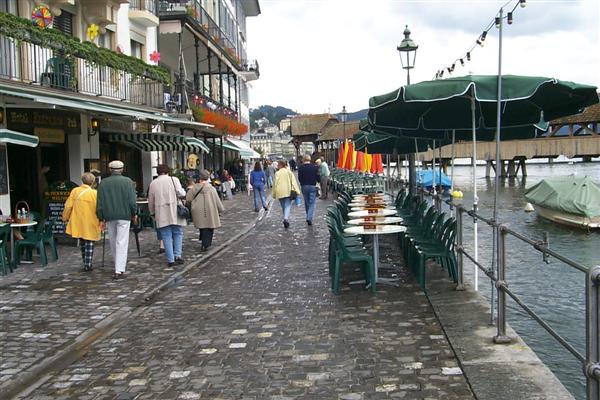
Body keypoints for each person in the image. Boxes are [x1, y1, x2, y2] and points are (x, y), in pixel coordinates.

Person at [96, 160, 137, 280]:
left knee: (113, 241)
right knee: (122, 242)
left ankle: (117, 266)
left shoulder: (103, 183)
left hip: (109, 215)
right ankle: (119, 269)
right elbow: (131, 201)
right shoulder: (127, 182)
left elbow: (100, 202)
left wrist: (100, 216)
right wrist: (134, 213)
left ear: (110, 170)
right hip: (124, 215)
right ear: (122, 169)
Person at [148, 164, 186, 268]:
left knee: (166, 235)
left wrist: (152, 212)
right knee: (177, 232)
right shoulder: (174, 180)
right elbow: (180, 193)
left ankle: (170, 259)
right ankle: (177, 255)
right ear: (168, 171)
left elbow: (151, 200)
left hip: (161, 211)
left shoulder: (153, 183)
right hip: (174, 209)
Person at [62, 172, 101, 272]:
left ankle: (85, 261)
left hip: (78, 220)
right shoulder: (95, 194)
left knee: (83, 241)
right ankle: (88, 264)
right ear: (92, 182)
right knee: (89, 242)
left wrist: (64, 218)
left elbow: (68, 206)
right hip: (91, 220)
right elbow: (99, 208)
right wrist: (102, 219)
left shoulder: (75, 191)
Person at [186, 169, 224, 252]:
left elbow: (188, 199)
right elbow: (217, 200)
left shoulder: (194, 188)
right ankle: (206, 244)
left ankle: (203, 241)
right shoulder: (211, 189)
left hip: (198, 210)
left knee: (202, 226)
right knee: (209, 227)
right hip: (210, 210)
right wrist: (221, 209)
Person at [272, 160, 300, 229]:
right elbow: (293, 182)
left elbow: (274, 184)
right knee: (287, 205)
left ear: (281, 165)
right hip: (288, 191)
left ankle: (285, 218)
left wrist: (274, 194)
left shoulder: (277, 173)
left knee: (283, 206)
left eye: (278, 164)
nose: (277, 166)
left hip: (280, 191)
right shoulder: (289, 172)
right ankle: (285, 218)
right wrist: (297, 191)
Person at [297, 155, 319, 225]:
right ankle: (309, 218)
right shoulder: (314, 167)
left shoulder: (300, 168)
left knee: (307, 203)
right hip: (312, 186)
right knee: (312, 203)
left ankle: (308, 215)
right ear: (310, 159)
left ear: (303, 160)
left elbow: (299, 178)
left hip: (304, 186)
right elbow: (318, 177)